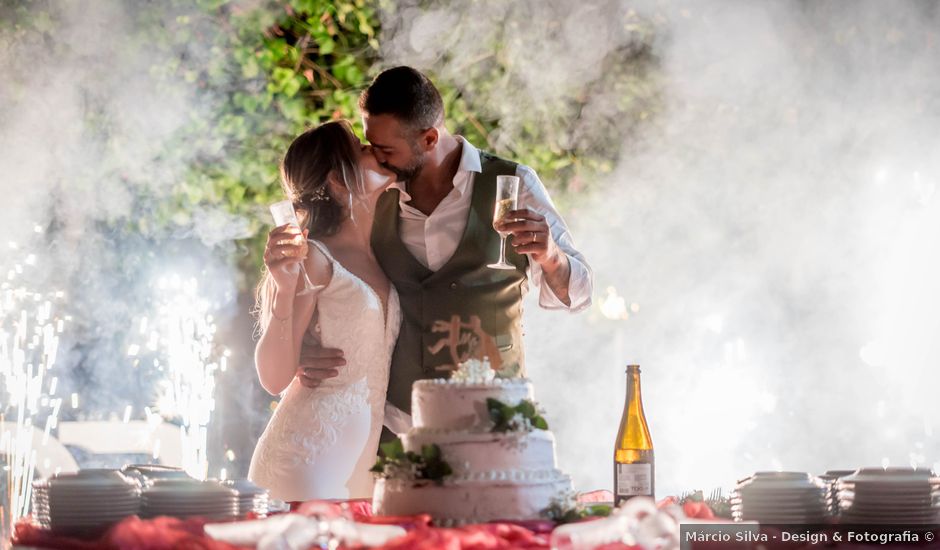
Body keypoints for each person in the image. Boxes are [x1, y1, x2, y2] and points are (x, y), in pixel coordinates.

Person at [298, 66, 593, 436]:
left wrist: (551, 257)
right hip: (398, 424)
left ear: (429, 138)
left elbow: (580, 294)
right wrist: (305, 343)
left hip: (494, 422)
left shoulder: (514, 183)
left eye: (386, 149)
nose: (375, 158)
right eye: (371, 145)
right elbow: (328, 274)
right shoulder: (375, 197)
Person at [247, 120, 398, 501]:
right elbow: (273, 378)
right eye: (359, 147)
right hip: (306, 460)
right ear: (338, 181)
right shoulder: (314, 256)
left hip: (359, 470)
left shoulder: (387, 248)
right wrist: (283, 288)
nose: (371, 148)